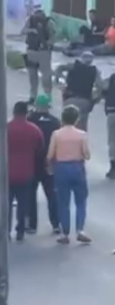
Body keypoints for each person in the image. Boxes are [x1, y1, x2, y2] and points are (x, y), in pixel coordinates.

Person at [47, 105, 91, 244]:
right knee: (81, 201)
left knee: (63, 202)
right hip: (77, 167)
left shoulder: (56, 134)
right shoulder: (82, 135)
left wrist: (50, 167)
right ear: (76, 119)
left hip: (61, 168)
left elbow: (50, 155)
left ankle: (65, 233)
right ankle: (80, 230)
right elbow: (87, 155)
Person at [7, 101, 44, 241]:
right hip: (26, 172)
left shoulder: (6, 128)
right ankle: (20, 230)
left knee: (6, 203)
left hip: (7, 173)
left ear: (14, 112)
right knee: (23, 203)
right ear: (26, 112)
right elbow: (40, 148)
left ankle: (5, 230)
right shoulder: (33, 129)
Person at [26, 94, 61, 234]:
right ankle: (56, 223)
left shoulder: (30, 119)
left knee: (30, 194)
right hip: (49, 162)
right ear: (48, 106)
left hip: (32, 161)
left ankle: (32, 224)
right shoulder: (54, 121)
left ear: (36, 105)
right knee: (52, 194)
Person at [55, 51, 104, 131]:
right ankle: (80, 141)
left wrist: (59, 79)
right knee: (82, 126)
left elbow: (59, 68)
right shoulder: (94, 71)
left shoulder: (73, 66)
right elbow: (100, 86)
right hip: (84, 101)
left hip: (69, 99)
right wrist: (95, 100)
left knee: (66, 123)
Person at [22, 8, 55, 103]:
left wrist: (47, 44)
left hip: (43, 52)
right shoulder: (30, 20)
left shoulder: (48, 23)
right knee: (32, 76)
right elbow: (23, 30)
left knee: (46, 77)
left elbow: (53, 36)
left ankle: (48, 97)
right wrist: (32, 30)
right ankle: (33, 96)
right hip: (31, 50)